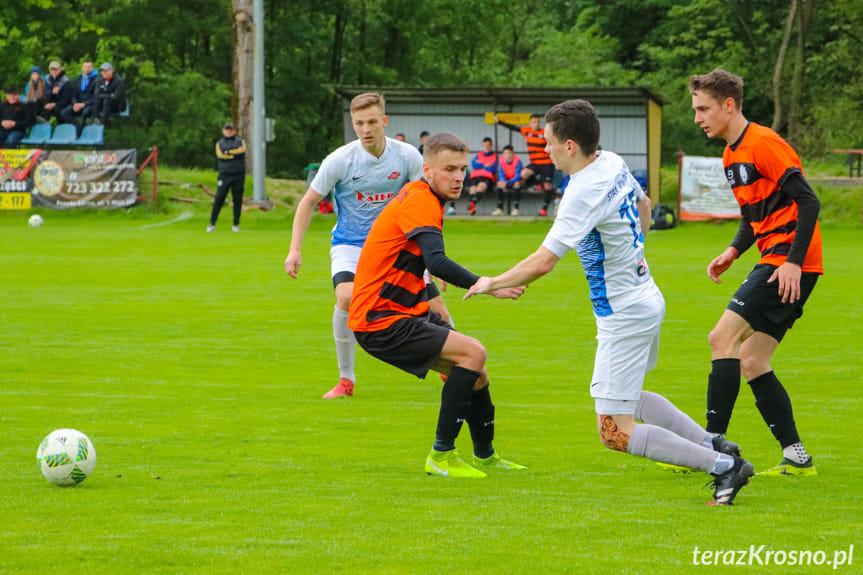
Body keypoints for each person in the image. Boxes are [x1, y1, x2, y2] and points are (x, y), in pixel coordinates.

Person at [466, 100, 754, 505]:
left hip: (625, 315)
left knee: (614, 431)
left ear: (569, 145)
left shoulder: (582, 191)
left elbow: (545, 260)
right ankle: (716, 445)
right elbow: (645, 205)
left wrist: (492, 282)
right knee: (630, 397)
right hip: (645, 296)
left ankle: (724, 468)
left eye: (547, 142)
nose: (543, 150)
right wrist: (634, 253)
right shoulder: (613, 161)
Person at [348, 132, 527, 477]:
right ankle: (441, 455)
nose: (459, 177)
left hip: (399, 312)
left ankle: (486, 458)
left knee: (475, 371)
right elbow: (437, 260)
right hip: (379, 318)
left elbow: (423, 261)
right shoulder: (419, 200)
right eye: (449, 169)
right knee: (473, 353)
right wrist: (489, 285)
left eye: (463, 168)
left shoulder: (424, 198)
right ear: (428, 170)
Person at [689, 68, 823, 476]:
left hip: (788, 262)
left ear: (729, 105)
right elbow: (753, 217)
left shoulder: (763, 143)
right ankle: (797, 458)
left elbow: (809, 201)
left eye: (704, 109)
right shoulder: (731, 155)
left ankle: (711, 453)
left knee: (721, 338)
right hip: (780, 259)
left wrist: (792, 263)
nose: (698, 118)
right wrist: (732, 250)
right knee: (752, 360)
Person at [285, 93, 453, 400]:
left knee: (435, 307)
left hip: (399, 247)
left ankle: (454, 367)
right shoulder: (339, 160)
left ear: (384, 122)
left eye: (373, 121)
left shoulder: (406, 157)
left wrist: (434, 258)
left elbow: (426, 206)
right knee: (347, 297)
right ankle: (345, 380)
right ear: (353, 124)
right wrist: (295, 249)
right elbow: (308, 202)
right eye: (360, 123)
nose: (366, 129)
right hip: (351, 243)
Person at [494, 113, 555, 216]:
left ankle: (544, 209)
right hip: (535, 163)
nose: (536, 124)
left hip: (547, 163)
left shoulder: (545, 133)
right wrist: (499, 122)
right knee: (523, 174)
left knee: (547, 185)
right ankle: (538, 183)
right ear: (530, 123)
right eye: (534, 122)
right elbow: (513, 127)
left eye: (538, 122)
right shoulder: (526, 131)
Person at [207, 122, 246, 232]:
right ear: (223, 131)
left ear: (234, 131)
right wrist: (232, 155)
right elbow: (221, 155)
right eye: (227, 129)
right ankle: (212, 224)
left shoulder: (240, 142)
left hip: (238, 174)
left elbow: (241, 151)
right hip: (225, 174)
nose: (229, 131)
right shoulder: (220, 143)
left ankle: (235, 224)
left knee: (237, 200)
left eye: (231, 130)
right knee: (219, 199)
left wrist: (228, 152)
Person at [461, 136, 497, 215]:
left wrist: (480, 165)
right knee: (472, 189)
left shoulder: (494, 156)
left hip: (487, 177)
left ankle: (471, 205)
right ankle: (472, 208)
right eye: (484, 145)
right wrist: (485, 165)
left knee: (481, 187)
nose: (486, 147)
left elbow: (492, 168)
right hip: (475, 176)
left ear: (491, 146)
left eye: (488, 145)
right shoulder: (479, 154)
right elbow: (474, 164)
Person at [60, 61, 98, 130]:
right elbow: (74, 94)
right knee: (64, 113)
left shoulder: (97, 79)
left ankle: (83, 131)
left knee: (85, 112)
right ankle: (78, 128)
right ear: (82, 68)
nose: (87, 68)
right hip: (78, 104)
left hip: (90, 104)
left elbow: (96, 97)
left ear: (92, 68)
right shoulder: (78, 79)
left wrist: (84, 104)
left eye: (89, 67)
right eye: (85, 66)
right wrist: (75, 103)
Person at [491, 144, 523, 216]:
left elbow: (517, 176)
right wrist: (503, 181)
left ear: (513, 154)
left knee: (517, 184)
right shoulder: (500, 161)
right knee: (499, 184)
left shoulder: (517, 161)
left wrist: (507, 182)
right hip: (506, 180)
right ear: (503, 154)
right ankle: (499, 208)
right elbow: (501, 174)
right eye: (506, 153)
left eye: (510, 153)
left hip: (515, 180)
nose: (508, 155)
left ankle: (515, 208)